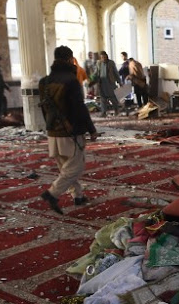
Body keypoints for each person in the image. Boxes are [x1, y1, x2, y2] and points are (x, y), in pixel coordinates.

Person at [38, 45, 98, 215]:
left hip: (53, 131)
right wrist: (91, 129)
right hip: (70, 131)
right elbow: (79, 108)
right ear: (69, 59)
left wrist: (50, 127)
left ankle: (78, 195)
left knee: (66, 167)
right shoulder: (71, 80)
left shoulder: (44, 81)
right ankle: (52, 194)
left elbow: (44, 109)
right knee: (74, 168)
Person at [94, 51, 122, 117]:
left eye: (104, 57)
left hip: (110, 83)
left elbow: (116, 72)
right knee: (103, 98)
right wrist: (92, 78)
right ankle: (103, 113)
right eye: (102, 57)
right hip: (102, 83)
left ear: (106, 56)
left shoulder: (111, 63)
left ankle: (116, 110)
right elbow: (96, 72)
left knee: (113, 98)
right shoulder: (98, 63)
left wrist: (119, 82)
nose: (103, 58)